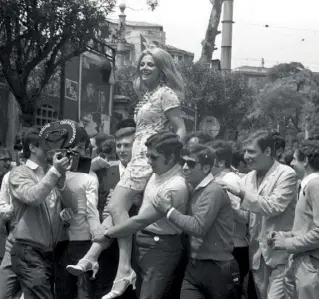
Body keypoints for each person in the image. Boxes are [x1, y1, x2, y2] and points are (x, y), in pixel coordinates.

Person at [69, 47, 187, 299]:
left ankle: (123, 269)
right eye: (142, 64)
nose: (144, 68)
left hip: (148, 158)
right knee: (115, 207)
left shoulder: (166, 94)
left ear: (161, 69)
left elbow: (180, 128)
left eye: (150, 65)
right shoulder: (147, 95)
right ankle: (93, 256)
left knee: (116, 206)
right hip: (137, 159)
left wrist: (171, 159)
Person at [153, 144, 239, 299]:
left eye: (191, 164)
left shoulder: (213, 191)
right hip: (195, 266)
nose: (185, 167)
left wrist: (168, 210)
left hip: (218, 267)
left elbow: (198, 227)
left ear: (206, 168)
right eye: (183, 162)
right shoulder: (195, 187)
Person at [221, 130, 297, 299]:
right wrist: (228, 204)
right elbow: (245, 218)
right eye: (245, 151)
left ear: (268, 151)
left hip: (281, 255)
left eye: (252, 151)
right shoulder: (247, 178)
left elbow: (274, 206)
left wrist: (240, 194)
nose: (246, 156)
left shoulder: (286, 174)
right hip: (257, 256)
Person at [7, 127, 77, 299]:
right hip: (27, 250)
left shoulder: (51, 172)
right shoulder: (19, 172)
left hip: (50, 251)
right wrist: (54, 173)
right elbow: (33, 197)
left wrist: (61, 183)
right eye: (47, 145)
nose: (52, 150)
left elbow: (74, 205)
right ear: (32, 147)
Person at [55, 128, 104, 299]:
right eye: (72, 147)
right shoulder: (56, 172)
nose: (76, 152)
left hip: (82, 243)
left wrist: (97, 237)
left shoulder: (90, 178)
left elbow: (91, 212)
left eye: (81, 148)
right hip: (59, 242)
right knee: (63, 292)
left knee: (83, 293)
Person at [269, 136, 319, 299]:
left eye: (294, 159)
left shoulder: (314, 185)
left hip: (310, 264)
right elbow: (307, 228)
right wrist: (285, 236)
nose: (290, 164)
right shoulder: (306, 185)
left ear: (305, 161)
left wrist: (288, 243)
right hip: (302, 262)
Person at [209, 140, 249, 296]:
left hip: (233, 249)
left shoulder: (229, 181)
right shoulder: (220, 179)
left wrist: (224, 205)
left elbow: (245, 217)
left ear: (219, 162)